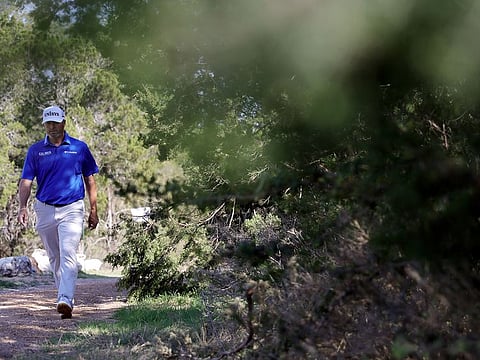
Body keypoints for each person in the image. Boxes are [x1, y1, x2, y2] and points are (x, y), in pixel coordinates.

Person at [17, 105, 99, 319]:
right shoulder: (35, 150)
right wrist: (22, 207)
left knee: (68, 254)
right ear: (44, 124)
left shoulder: (79, 148)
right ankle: (64, 296)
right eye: (48, 123)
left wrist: (94, 209)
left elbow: (90, 179)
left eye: (56, 122)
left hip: (72, 208)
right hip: (44, 209)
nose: (52, 127)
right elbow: (26, 181)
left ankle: (65, 298)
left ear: (64, 122)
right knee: (55, 257)